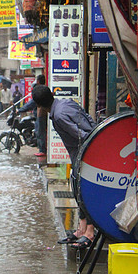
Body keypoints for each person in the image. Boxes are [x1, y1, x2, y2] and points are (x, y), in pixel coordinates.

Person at [32, 85, 97, 249]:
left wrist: (91, 149)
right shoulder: (66, 103)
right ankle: (81, 229)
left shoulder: (59, 116)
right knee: (76, 188)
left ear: (39, 106)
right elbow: (88, 118)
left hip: (83, 152)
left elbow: (81, 136)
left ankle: (89, 233)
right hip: (86, 149)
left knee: (82, 191)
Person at [19, 74, 47, 156]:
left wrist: (20, 110)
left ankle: (42, 150)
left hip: (41, 114)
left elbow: (31, 103)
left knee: (40, 132)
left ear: (38, 81)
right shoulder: (43, 89)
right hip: (41, 113)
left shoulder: (40, 91)